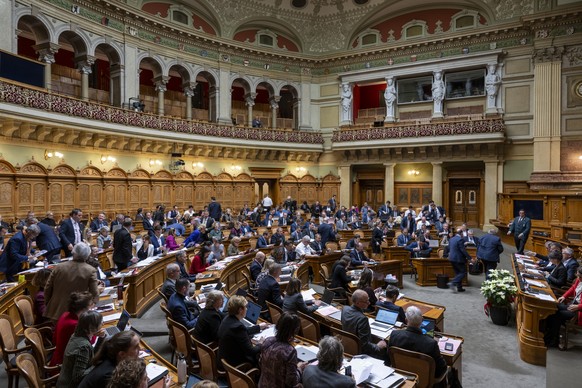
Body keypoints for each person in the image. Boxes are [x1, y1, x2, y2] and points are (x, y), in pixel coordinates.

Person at [44, 242, 99, 321]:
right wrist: (91, 307)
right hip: (78, 311)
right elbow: (94, 293)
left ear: (73, 252)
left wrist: (48, 304)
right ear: (87, 255)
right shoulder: (90, 270)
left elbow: (48, 288)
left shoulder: (59, 267)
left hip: (57, 310)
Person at [388, 306, 447, 378]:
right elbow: (442, 369)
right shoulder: (431, 343)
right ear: (422, 320)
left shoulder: (394, 335)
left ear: (406, 320)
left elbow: (389, 357)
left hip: (400, 375)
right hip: (424, 380)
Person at [57, 310, 105, 387]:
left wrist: (101, 338)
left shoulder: (76, 335)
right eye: (100, 323)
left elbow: (91, 353)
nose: (103, 324)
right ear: (91, 328)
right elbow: (78, 377)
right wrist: (96, 364)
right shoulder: (83, 346)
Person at [218, 296, 265, 369]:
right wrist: (261, 344)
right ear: (240, 310)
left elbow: (244, 331)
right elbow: (250, 351)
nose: (246, 309)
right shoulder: (238, 327)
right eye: (245, 307)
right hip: (234, 363)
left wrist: (258, 327)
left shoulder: (227, 318)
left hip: (224, 357)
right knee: (260, 355)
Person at [258, 312, 304, 387]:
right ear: (295, 330)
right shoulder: (290, 351)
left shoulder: (267, 341)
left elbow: (260, 363)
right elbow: (292, 382)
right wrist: (299, 369)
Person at [51, 291, 96, 367]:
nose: (92, 309)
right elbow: (90, 342)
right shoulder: (75, 324)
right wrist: (94, 330)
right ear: (83, 309)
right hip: (66, 364)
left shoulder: (65, 314)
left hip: (57, 357)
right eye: (90, 307)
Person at [341, 289, 386, 360]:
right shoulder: (362, 319)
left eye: (368, 299)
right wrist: (378, 346)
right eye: (366, 301)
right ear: (358, 303)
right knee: (385, 352)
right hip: (360, 352)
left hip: (347, 346)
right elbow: (364, 345)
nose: (369, 303)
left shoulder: (345, 309)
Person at [544, 267, 582, 347]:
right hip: (572, 304)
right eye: (578, 276)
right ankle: (548, 335)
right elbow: (573, 288)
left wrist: (578, 306)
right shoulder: (579, 280)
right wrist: (564, 296)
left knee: (557, 315)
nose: (578, 278)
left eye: (580, 277)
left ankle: (553, 340)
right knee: (553, 308)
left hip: (579, 312)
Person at [447, 228, 473, 293]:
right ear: (461, 234)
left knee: (457, 273)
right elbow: (463, 250)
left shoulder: (451, 239)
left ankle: (459, 287)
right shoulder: (460, 240)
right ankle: (453, 282)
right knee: (463, 272)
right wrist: (470, 258)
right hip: (458, 259)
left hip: (451, 258)